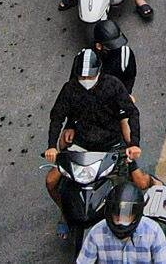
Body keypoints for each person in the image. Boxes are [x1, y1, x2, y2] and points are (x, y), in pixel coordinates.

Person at [45, 50, 153, 200]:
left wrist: (134, 144)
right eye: (82, 77)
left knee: (140, 182)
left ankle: (155, 184)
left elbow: (132, 112)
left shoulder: (113, 85)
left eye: (90, 76)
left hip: (112, 145)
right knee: (51, 181)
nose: (86, 80)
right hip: (82, 145)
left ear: (99, 72)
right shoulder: (69, 89)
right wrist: (51, 146)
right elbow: (57, 117)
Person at [77, 182, 166, 264]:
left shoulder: (154, 233)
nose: (120, 220)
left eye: (126, 215)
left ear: (136, 215)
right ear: (110, 213)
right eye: (116, 214)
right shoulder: (96, 233)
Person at [92, 18, 138, 95]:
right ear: (98, 46)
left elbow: (130, 77)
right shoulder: (87, 58)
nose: (116, 48)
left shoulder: (125, 53)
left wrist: (126, 95)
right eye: (110, 46)